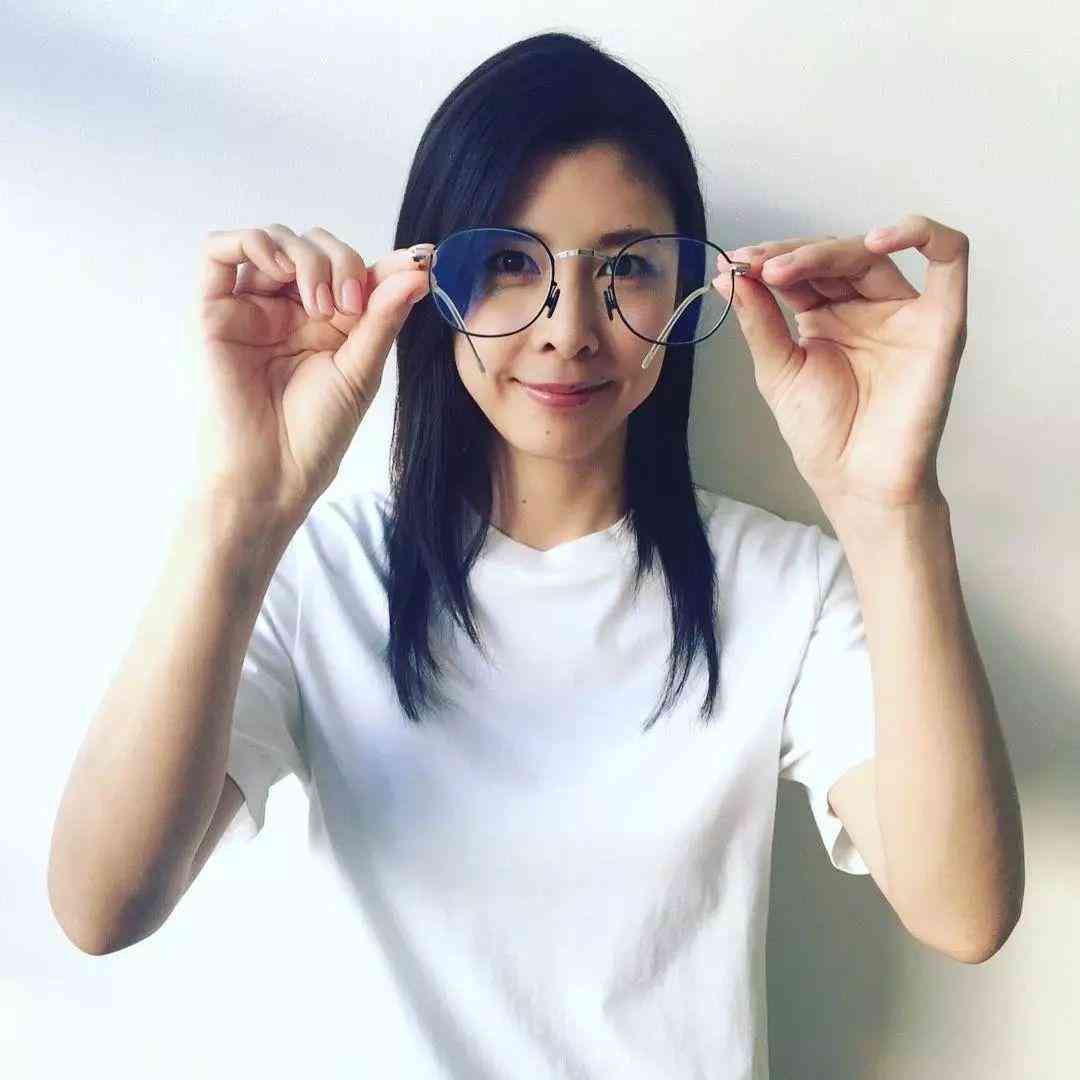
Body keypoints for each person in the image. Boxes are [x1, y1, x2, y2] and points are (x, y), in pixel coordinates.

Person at [51, 30, 977, 1080]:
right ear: (423, 282)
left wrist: (895, 506)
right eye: (507, 263)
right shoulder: (321, 574)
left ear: (690, 287)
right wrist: (241, 509)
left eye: (628, 266)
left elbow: (962, 910)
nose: (569, 329)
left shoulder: (780, 584)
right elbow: (100, 905)